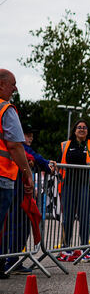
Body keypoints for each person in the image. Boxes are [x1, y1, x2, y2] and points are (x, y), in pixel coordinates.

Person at [0, 71, 35, 277]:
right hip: (3, 176)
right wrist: (27, 173)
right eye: (12, 84)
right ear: (1, 85)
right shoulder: (6, 109)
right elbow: (14, 145)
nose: (15, 88)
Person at [59, 119, 90, 260]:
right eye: (79, 127)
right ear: (74, 130)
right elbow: (60, 163)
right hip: (68, 185)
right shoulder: (66, 145)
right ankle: (65, 248)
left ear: (88, 131)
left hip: (85, 185)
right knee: (68, 217)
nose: (82, 129)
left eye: (84, 127)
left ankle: (84, 248)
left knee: (84, 217)